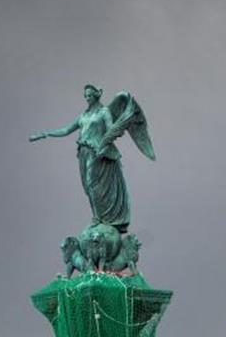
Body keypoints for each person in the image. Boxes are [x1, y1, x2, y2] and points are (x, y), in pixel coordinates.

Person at [30, 84, 154, 233]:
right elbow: (67, 130)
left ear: (97, 95)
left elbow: (111, 129)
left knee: (92, 182)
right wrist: (45, 134)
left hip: (97, 151)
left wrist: (118, 127)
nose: (87, 98)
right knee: (87, 187)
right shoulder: (84, 115)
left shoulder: (104, 112)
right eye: (86, 96)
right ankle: (97, 216)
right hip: (83, 152)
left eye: (90, 95)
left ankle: (99, 218)